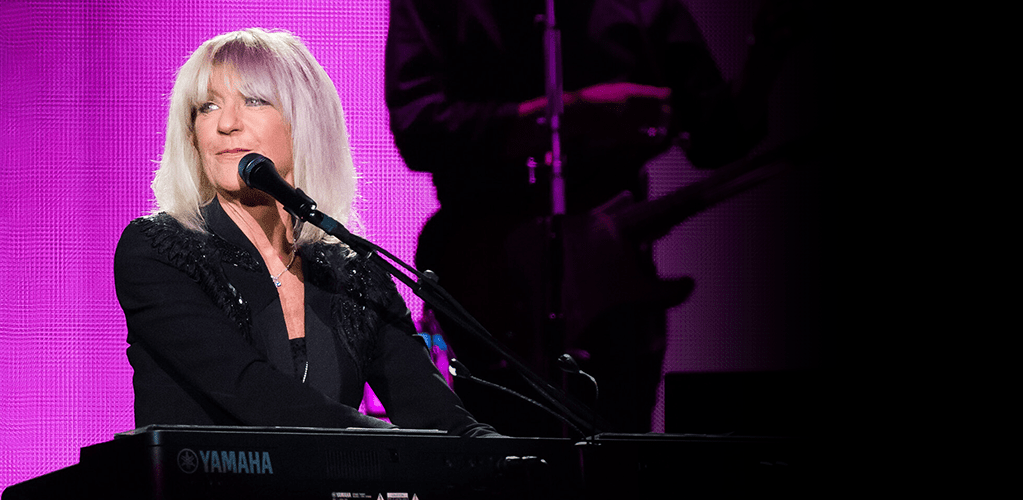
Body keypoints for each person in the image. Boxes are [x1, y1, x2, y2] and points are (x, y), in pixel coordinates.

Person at [386, 0, 796, 434]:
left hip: (616, 281)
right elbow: (419, 127)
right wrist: (575, 113)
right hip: (491, 279)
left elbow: (714, 135)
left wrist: (765, 57)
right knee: (503, 442)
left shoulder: (642, 6)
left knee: (618, 442)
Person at [114, 28, 495, 437]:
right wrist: (384, 443)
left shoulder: (352, 274)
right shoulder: (158, 250)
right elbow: (251, 392)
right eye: (207, 107)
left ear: (304, 123)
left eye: (254, 101)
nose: (225, 124)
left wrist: (515, 460)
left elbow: (439, 416)